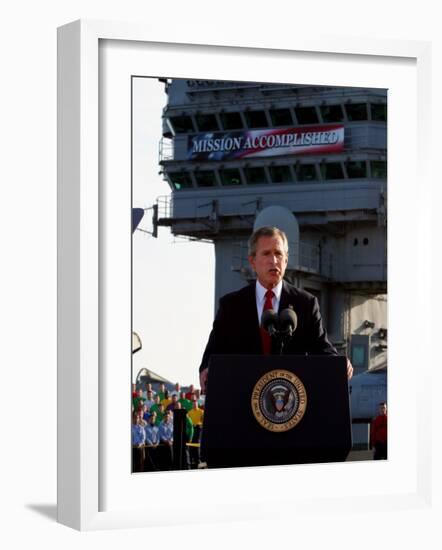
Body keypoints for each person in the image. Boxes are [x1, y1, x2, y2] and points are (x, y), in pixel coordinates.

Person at [199, 225, 353, 392]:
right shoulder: (231, 306)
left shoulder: (306, 304)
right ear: (252, 261)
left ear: (286, 260)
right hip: (243, 398)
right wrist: (207, 369)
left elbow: (322, 349)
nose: (273, 261)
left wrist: (340, 364)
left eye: (278, 254)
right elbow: (213, 353)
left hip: (291, 402)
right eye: (266, 254)